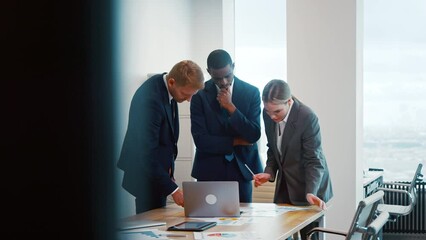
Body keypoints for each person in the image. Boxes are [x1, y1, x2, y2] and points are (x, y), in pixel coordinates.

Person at [117, 60, 205, 214]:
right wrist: (174, 190)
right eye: (186, 94)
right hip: (145, 175)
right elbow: (146, 153)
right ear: (172, 82)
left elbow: (167, 139)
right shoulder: (150, 100)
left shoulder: (167, 88)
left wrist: (168, 175)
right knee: (150, 226)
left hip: (158, 172)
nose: (189, 100)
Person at [253, 79, 333, 240]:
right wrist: (268, 172)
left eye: (277, 111)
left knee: (309, 237)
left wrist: (311, 191)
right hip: (285, 187)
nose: (272, 116)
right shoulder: (267, 114)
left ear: (289, 101)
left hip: (309, 187)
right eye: (268, 111)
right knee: (281, 234)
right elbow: (273, 148)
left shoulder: (307, 117)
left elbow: (314, 160)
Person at [190, 49, 263, 202]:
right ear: (208, 71)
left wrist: (231, 108)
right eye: (217, 78)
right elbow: (201, 140)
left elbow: (254, 135)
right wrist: (235, 141)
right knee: (206, 221)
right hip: (209, 171)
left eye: (227, 76)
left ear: (233, 67)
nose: (223, 82)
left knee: (243, 224)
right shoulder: (199, 95)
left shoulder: (252, 93)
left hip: (242, 170)